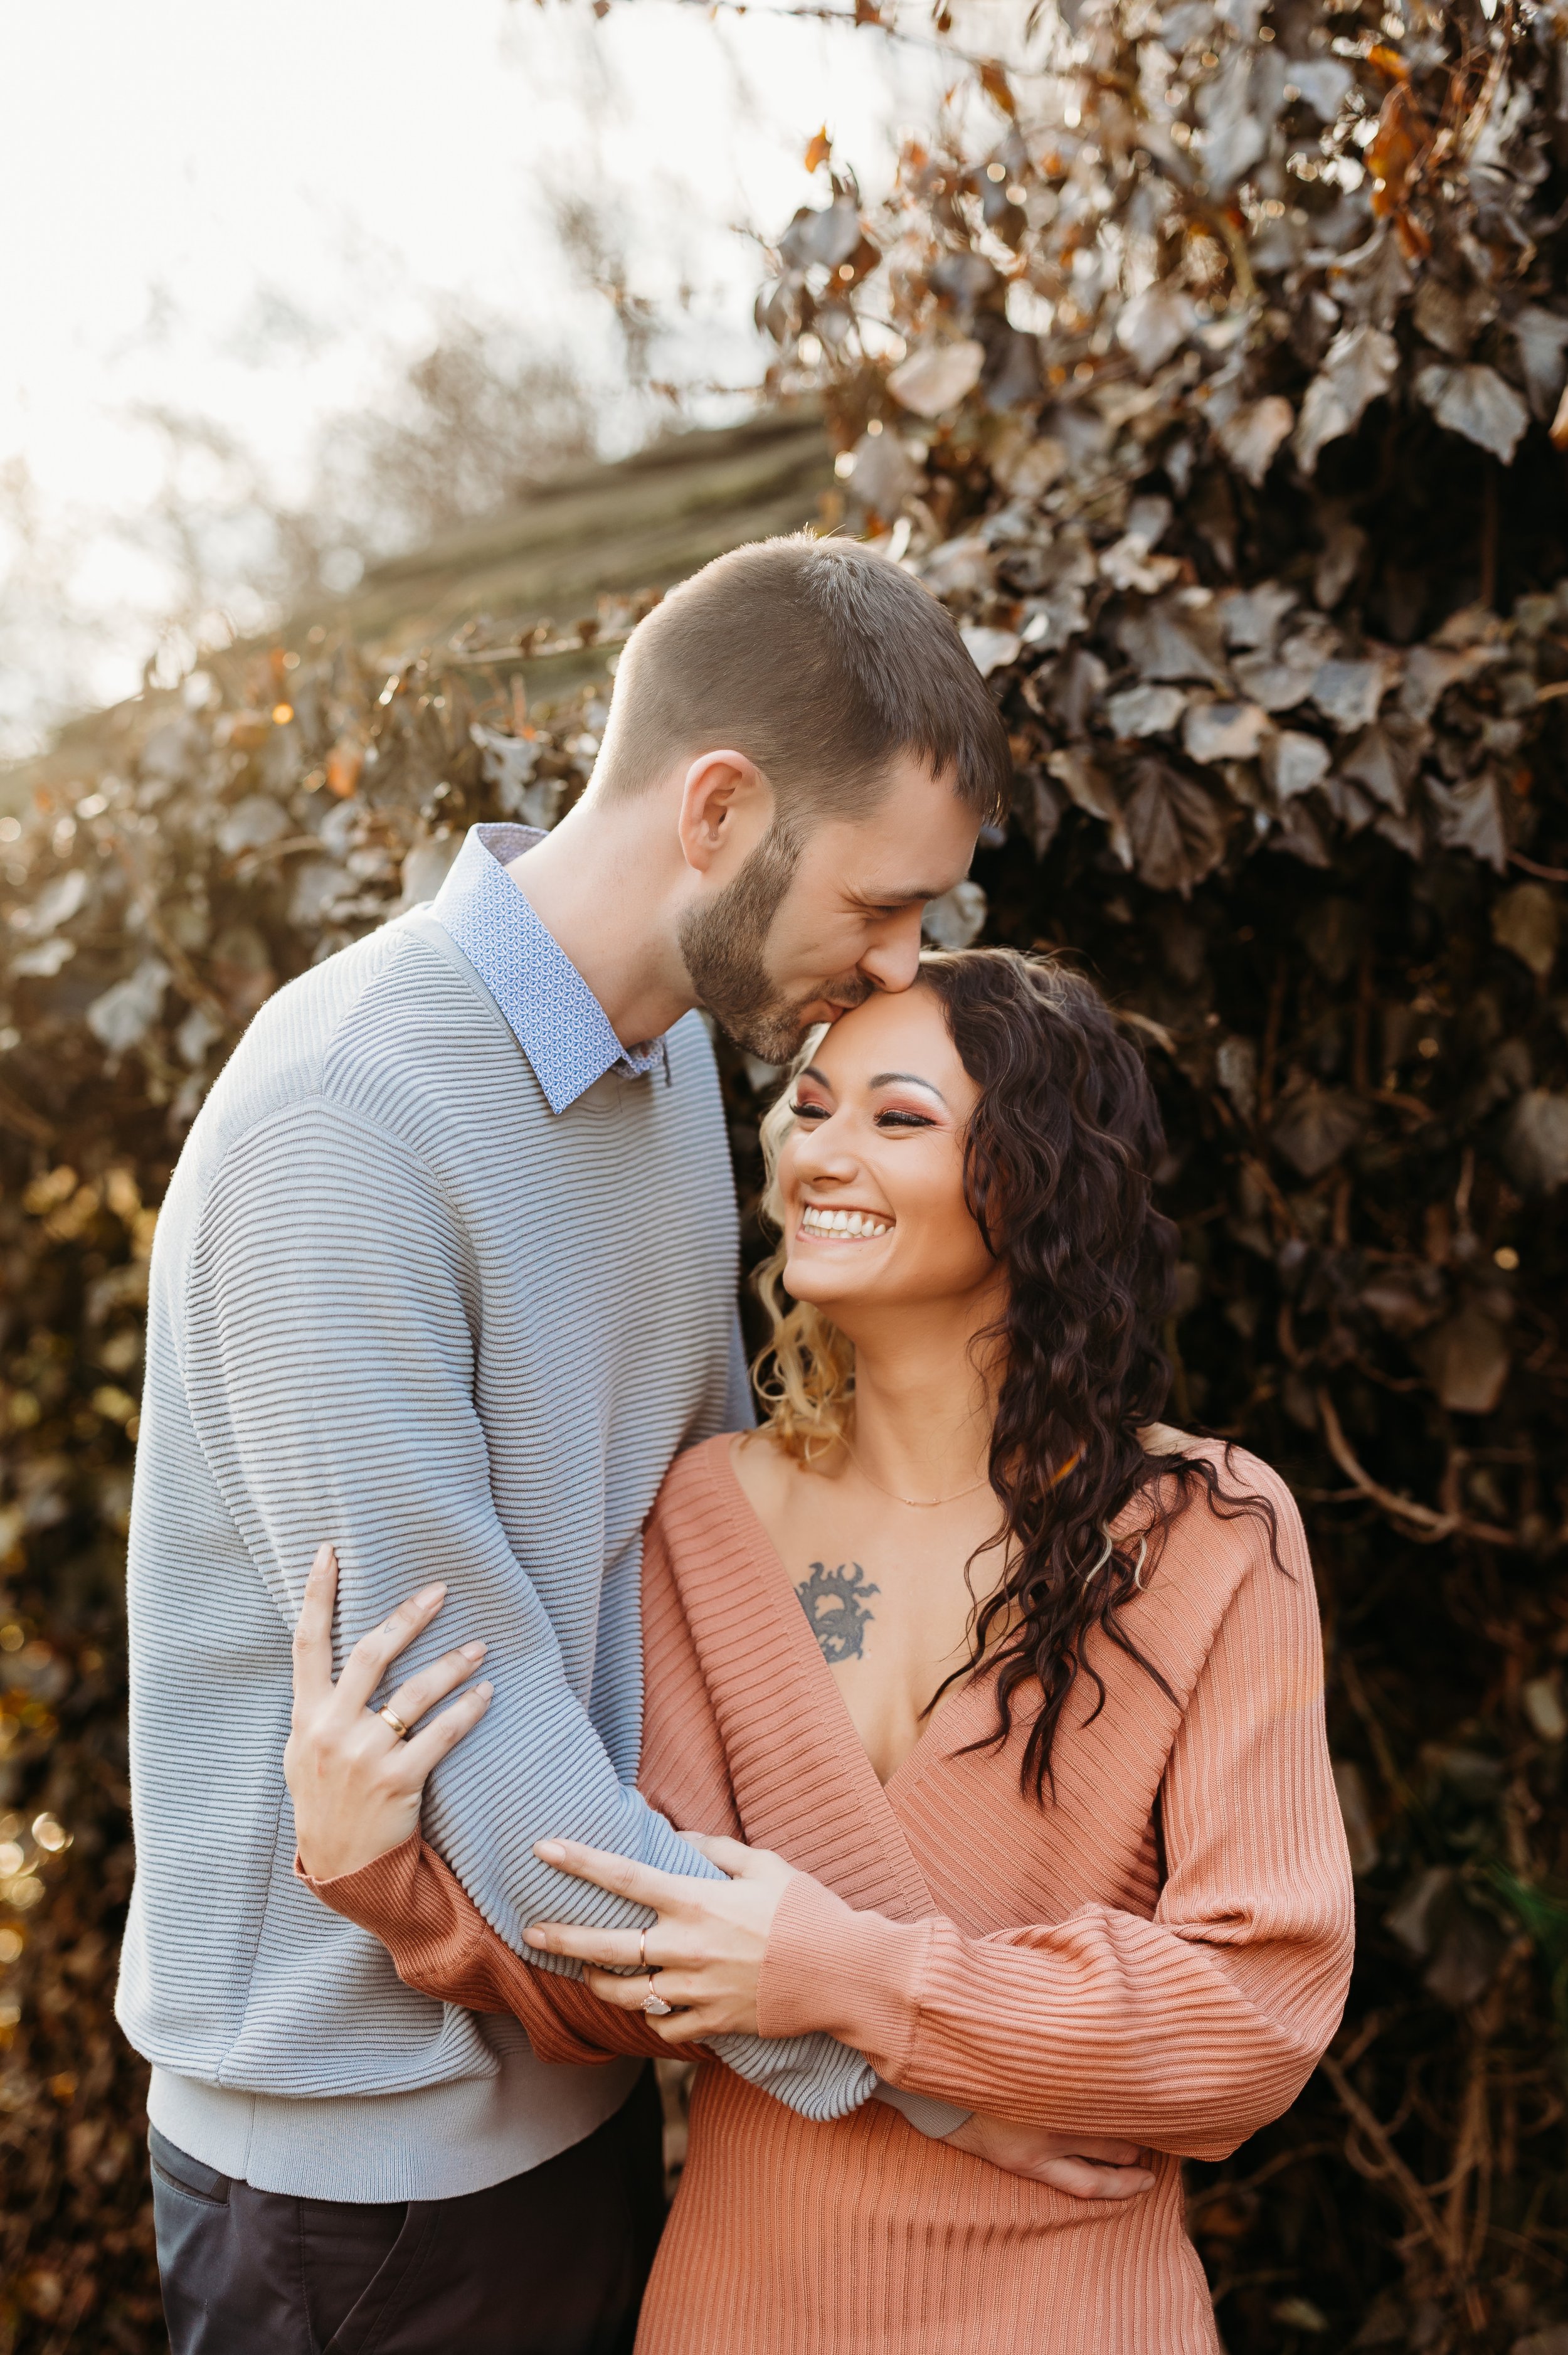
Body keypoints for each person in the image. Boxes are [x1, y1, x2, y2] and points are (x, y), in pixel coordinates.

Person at [119, 535, 1092, 2355]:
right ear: (719, 808)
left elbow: (709, 1577)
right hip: (356, 2179)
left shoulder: (662, 1069)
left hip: (566, 2086)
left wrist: (924, 1980)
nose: (899, 965)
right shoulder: (347, 1123)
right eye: (882, 905)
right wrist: (927, 2065)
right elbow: (462, 1717)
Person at [290, 947, 1357, 2355]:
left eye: (896, 1116)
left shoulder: (1208, 1534)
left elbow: (1250, 2018)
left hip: (1077, 2313)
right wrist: (383, 1875)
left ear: (1035, 1176)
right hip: (742, 2308)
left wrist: (848, 1975)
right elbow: (637, 1965)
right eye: (809, 1103)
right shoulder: (702, 1510)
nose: (818, 1150)